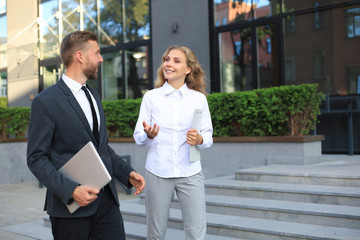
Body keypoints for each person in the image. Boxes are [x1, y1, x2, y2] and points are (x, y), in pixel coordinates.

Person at [27, 30, 145, 240]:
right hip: (70, 209)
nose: (101, 59)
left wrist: (126, 173)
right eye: (97, 53)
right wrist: (72, 190)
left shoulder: (94, 95)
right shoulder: (46, 102)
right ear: (80, 56)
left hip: (107, 202)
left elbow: (102, 147)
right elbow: (36, 159)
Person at [133, 45, 213, 240]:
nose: (168, 64)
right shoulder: (151, 97)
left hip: (191, 172)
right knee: (155, 234)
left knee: (196, 233)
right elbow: (138, 136)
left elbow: (208, 137)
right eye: (167, 59)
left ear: (188, 69)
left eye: (176, 61)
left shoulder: (198, 99)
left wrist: (200, 139)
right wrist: (149, 135)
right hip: (158, 171)